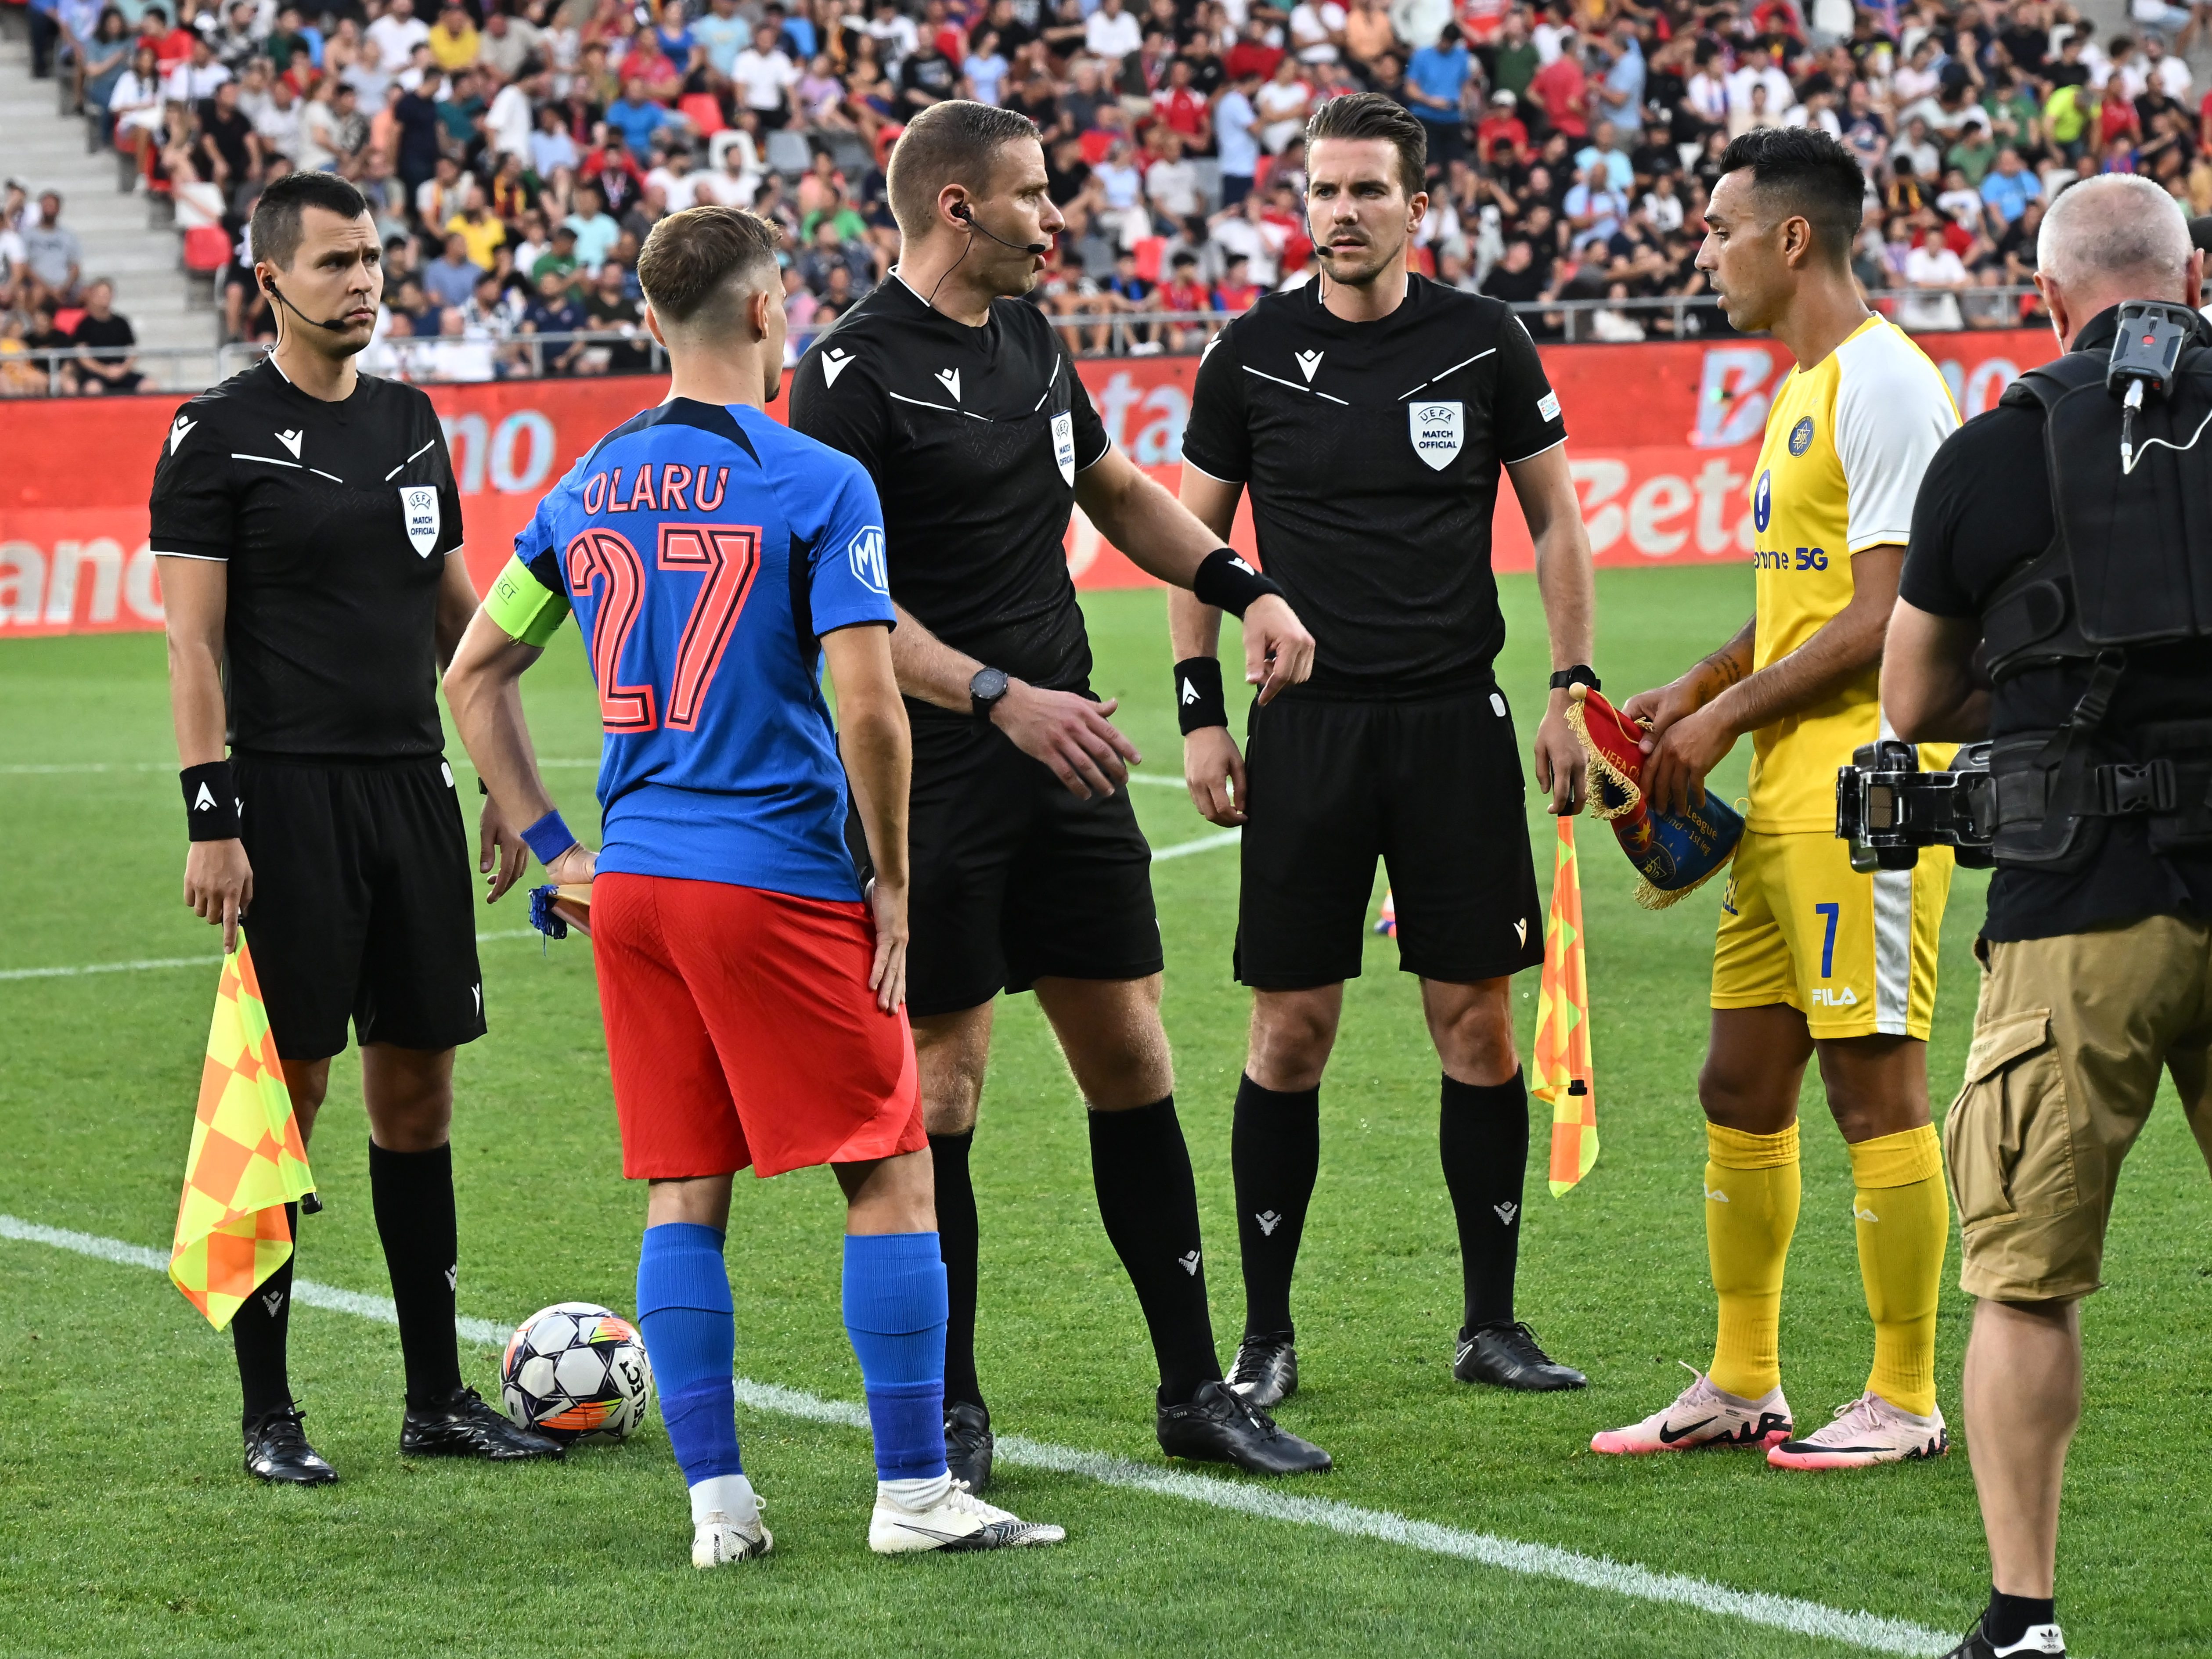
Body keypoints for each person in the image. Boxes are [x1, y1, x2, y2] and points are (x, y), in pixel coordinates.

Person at [443, 203, 1064, 1567]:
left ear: (655, 322)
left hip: (636, 886)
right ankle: (915, 1491)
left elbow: (472, 674)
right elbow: (873, 710)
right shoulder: (810, 481)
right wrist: (892, 881)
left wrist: (554, 849)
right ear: (769, 313)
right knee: (890, 1168)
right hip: (770, 875)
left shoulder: (584, 485)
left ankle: (719, 1507)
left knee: (685, 1184)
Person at [788, 100, 1330, 1491]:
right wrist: (993, 696)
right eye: (1035, 196)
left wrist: (1242, 581)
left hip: (1068, 754)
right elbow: (846, 610)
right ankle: (953, 1405)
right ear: (958, 208)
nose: (1057, 216)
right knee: (949, 1086)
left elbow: (1115, 487)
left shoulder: (1033, 338)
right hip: (938, 765)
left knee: (1136, 1056)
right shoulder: (847, 374)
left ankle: (1193, 1387)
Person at [1172, 94, 1596, 1407]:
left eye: (1368, 190)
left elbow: (1559, 528)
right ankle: (1267, 1335)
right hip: (1307, 728)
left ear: (1420, 206)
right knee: (1289, 1029)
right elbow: (1193, 544)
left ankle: (1492, 1323)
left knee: (1475, 1022)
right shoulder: (1250, 352)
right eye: (1323, 190)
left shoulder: (1484, 340)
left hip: (1453, 723)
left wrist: (1569, 687)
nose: (1342, 212)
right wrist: (1197, 709)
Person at [149, 171, 560, 1485]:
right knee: (293, 1095)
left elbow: (458, 613)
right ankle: (270, 1411)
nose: (364, 283)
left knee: (420, 1084)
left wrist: (508, 783)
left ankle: (434, 1394)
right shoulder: (212, 433)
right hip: (283, 798)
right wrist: (213, 816)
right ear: (269, 280)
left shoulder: (408, 419)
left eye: (375, 260)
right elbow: (193, 644)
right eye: (335, 263)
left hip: (409, 788)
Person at [1591, 126, 1963, 1470]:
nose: (1703, 253)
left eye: (1715, 228)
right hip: (1785, 793)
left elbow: (1890, 617)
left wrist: (1721, 717)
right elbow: (1794, 603)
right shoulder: (1803, 389)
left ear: (1791, 238)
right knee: (1740, 1082)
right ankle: (1745, 1378)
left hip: (1869, 792)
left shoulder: (1888, 387)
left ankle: (1908, 1396)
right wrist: (1695, 681)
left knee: (1876, 1085)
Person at [1884, 174, 2212, 1659]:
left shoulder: (1994, 452)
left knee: (2025, 1276)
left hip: (2081, 895)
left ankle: (2024, 1615)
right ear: (2192, 274)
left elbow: (1910, 699)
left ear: (2047, 296)